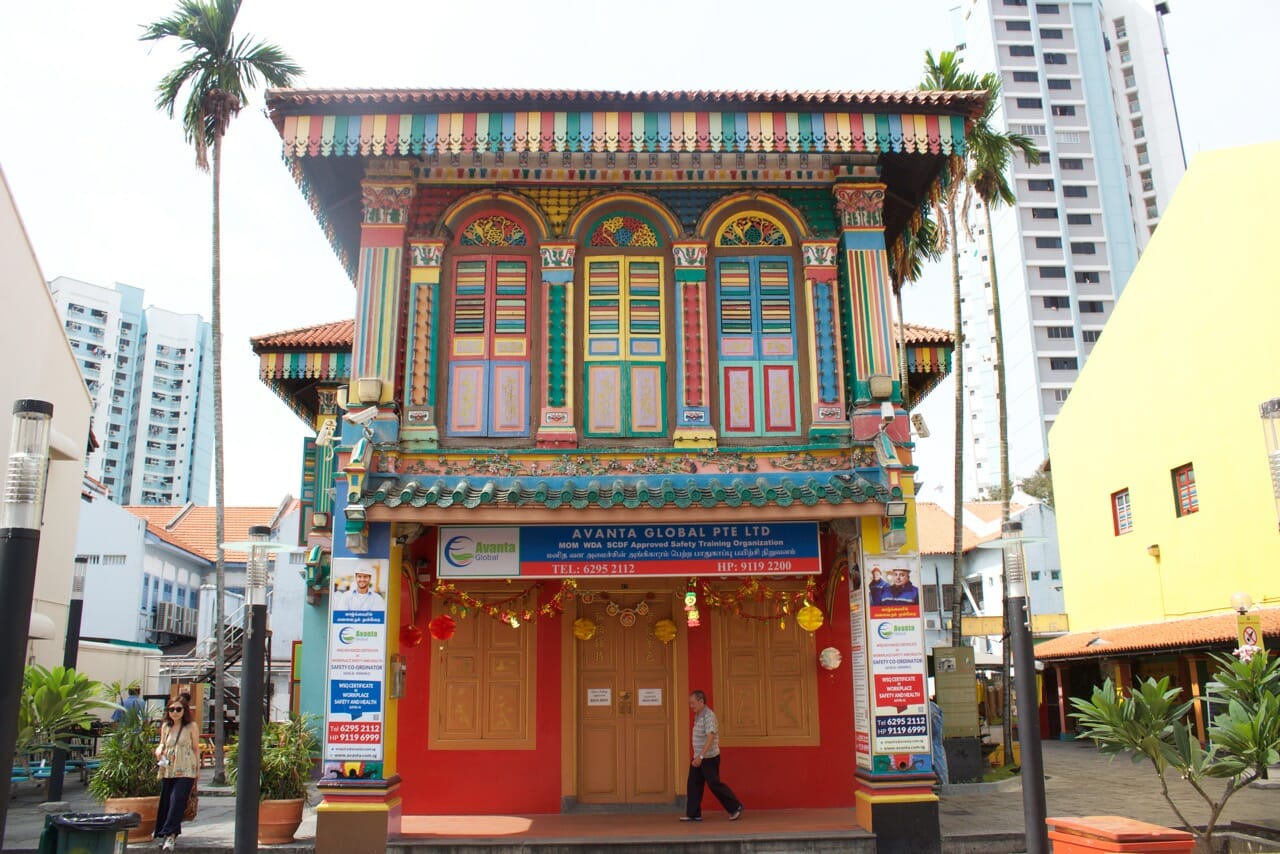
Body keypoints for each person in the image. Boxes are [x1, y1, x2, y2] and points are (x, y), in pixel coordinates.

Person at [682, 690, 744, 823]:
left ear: (701, 702)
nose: (691, 706)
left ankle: (735, 807)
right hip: (698, 757)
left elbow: (711, 736)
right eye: (690, 703)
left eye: (693, 703)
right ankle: (693, 814)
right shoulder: (699, 715)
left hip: (708, 758)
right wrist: (697, 757)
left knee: (714, 784)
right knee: (693, 784)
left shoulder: (709, 716)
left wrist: (701, 757)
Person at [153, 696, 199, 851]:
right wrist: (159, 750)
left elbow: (195, 748)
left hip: (186, 768)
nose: (175, 712)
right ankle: (169, 834)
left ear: (184, 710)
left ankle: (170, 834)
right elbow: (162, 743)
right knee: (167, 801)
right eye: (171, 709)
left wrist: (197, 769)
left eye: (178, 709)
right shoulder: (166, 726)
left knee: (177, 799)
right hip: (168, 768)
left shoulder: (191, 726)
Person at [929, 696, 950, 785]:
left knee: (934, 747)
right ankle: (944, 783)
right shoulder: (934, 707)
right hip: (933, 711)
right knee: (936, 748)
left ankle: (940, 782)